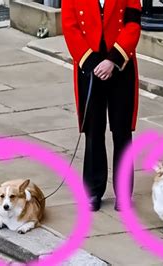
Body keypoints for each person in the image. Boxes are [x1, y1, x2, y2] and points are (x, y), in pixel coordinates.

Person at [62, 0, 142, 211]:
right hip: (89, 69)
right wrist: (92, 64)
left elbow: (133, 23)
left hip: (120, 67)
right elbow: (70, 28)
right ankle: (93, 191)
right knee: (93, 131)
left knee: (122, 132)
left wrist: (113, 60)